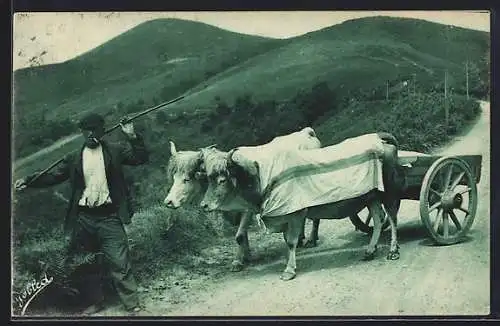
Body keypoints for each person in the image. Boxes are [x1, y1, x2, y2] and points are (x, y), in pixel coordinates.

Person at [15, 113, 149, 316]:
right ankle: (97, 301)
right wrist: (29, 180)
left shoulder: (115, 150)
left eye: (94, 130)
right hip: (84, 218)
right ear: (82, 132)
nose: (90, 134)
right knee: (88, 262)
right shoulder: (74, 157)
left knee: (119, 261)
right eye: (86, 130)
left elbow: (141, 158)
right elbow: (52, 176)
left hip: (110, 216)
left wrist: (131, 136)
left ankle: (132, 304)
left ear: (102, 131)